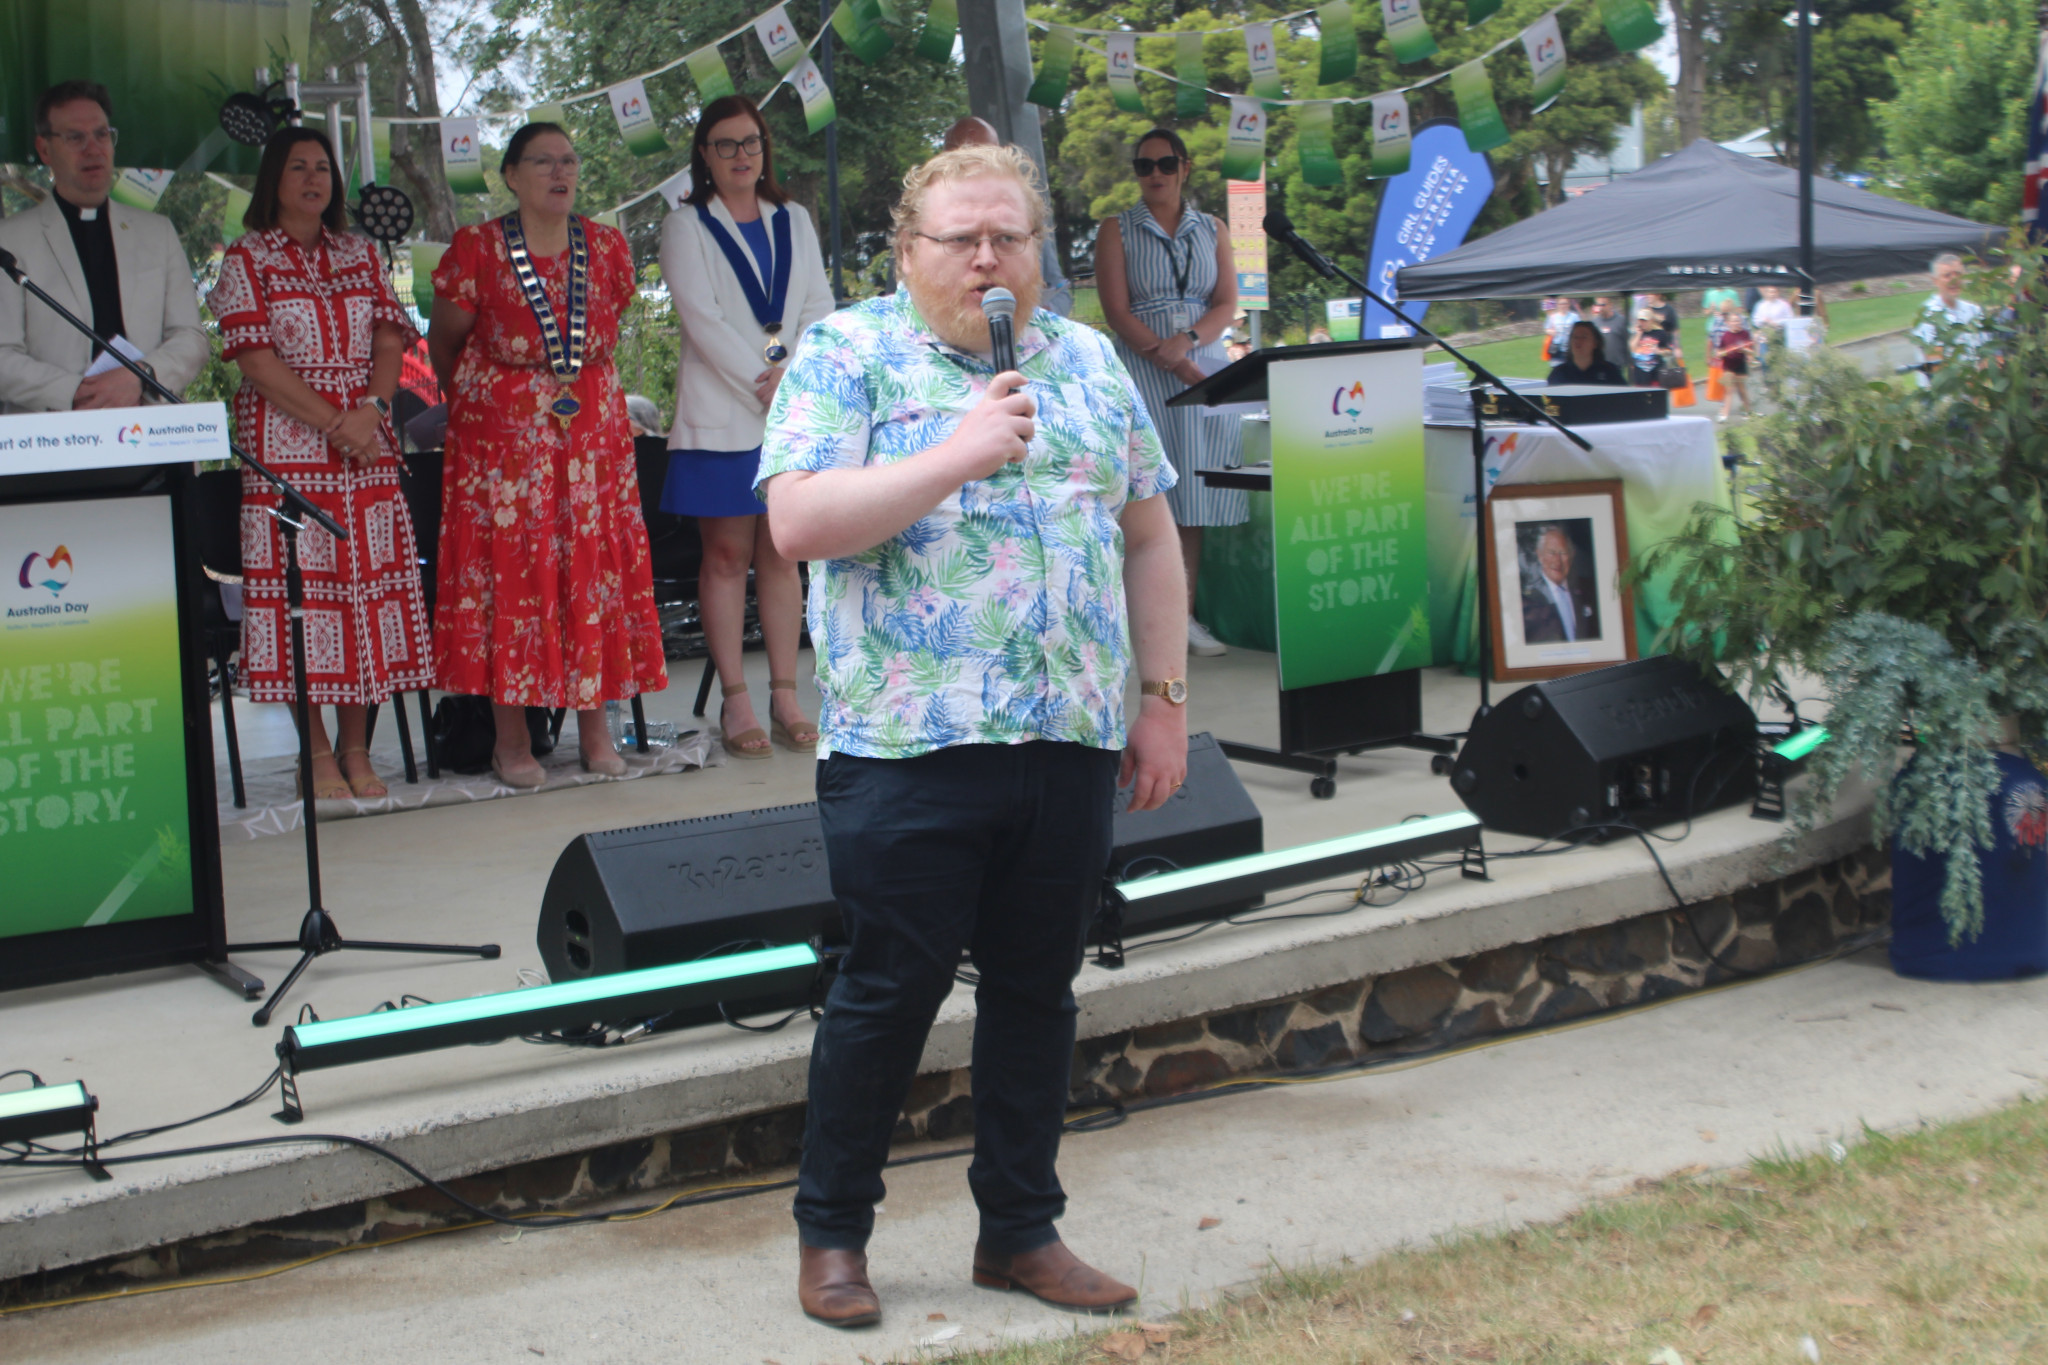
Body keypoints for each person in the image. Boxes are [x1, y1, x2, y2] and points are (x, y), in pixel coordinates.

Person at [757, 142, 1188, 1328]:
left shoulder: (1089, 361)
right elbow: (795, 523)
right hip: (907, 746)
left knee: (1036, 992)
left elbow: (1146, 536)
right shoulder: (848, 353)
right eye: (962, 239)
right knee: (886, 992)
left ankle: (1018, 1230)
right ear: (908, 253)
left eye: (1011, 237)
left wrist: (1162, 700)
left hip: (1065, 735)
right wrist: (955, 448)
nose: (989, 259)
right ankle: (833, 1236)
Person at [427, 122, 666, 787]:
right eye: (542, 162)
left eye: (568, 161)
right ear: (510, 175)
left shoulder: (608, 246)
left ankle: (595, 730)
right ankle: (512, 742)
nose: (559, 173)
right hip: (502, 441)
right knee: (513, 571)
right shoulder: (476, 248)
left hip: (590, 431)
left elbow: (608, 323)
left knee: (589, 567)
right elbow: (445, 341)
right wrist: (497, 400)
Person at [206, 126, 430, 800]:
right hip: (286, 453)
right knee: (305, 602)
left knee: (367, 595)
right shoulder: (247, 258)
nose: (314, 179)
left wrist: (372, 411)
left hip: (366, 447)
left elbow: (390, 338)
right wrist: (337, 422)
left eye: (324, 169)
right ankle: (317, 752)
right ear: (273, 178)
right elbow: (256, 363)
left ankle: (360, 747)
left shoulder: (360, 253)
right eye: (299, 168)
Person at [657, 94, 831, 761]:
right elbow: (701, 319)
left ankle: (785, 694)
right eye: (726, 144)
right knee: (727, 556)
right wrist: (766, 380)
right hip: (722, 411)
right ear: (704, 155)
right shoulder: (687, 226)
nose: (740, 155)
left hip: (788, 407)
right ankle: (734, 697)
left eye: (751, 142)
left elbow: (817, 304)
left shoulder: (795, 217)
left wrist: (792, 377)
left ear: (765, 149)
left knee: (784, 552)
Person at [1095, 126, 1244, 659]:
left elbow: (1226, 302)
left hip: (1200, 359)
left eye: (1164, 164)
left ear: (1185, 168)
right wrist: (1164, 353)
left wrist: (1188, 344)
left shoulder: (1213, 229)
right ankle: (1129, 618)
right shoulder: (1117, 229)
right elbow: (1116, 310)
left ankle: (1181, 616)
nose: (1154, 174)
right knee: (1145, 494)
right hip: (1143, 364)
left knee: (1192, 502)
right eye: (1143, 166)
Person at [0, 80, 208, 414]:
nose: (93, 148)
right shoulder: (9, 242)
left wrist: (142, 376)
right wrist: (75, 391)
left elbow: (191, 336)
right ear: (44, 149)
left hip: (152, 430)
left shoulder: (157, 233)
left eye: (101, 134)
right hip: (52, 437)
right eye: (75, 138)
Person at [940, 115, 1073, 318]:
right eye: (965, 159)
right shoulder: (924, 226)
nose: (979, 166)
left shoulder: (1023, 221)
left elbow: (1060, 291)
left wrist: (1046, 314)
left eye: (988, 156)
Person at [1521, 524, 1599, 644]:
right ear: (1540, 555)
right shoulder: (1528, 599)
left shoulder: (1588, 592)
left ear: (1572, 555)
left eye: (1563, 553)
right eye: (1551, 553)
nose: (1557, 560)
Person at [1911, 252, 1986, 369]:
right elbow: (1936, 365)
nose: (1954, 280)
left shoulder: (1975, 311)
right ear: (1935, 281)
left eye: (1958, 274)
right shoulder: (1928, 316)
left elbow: (1985, 355)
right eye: (1947, 275)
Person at [1710, 300, 1755, 420]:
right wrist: (1722, 353)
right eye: (1734, 321)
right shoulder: (1725, 335)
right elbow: (1719, 352)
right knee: (1728, 390)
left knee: (1742, 390)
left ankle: (1749, 412)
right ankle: (1724, 414)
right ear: (1729, 323)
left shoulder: (1744, 334)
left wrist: (1745, 351)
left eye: (1738, 321)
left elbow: (1751, 351)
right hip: (1728, 366)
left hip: (1740, 365)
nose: (1737, 323)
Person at [1546, 320, 1624, 386]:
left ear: (1595, 343)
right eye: (1575, 337)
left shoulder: (1610, 371)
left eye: (1584, 337)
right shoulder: (1559, 373)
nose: (1578, 341)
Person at [1627, 312, 1672, 389]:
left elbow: (1669, 351)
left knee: (1655, 396)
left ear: (1651, 321)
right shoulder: (1636, 333)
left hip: (1655, 373)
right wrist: (1639, 334)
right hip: (1640, 373)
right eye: (1640, 321)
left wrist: (1659, 352)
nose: (1642, 323)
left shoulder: (1660, 333)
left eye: (1644, 321)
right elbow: (1632, 348)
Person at [1587, 297, 1629, 372]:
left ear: (1610, 305)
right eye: (1598, 305)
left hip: (1616, 365)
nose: (1600, 308)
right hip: (1599, 365)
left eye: (1603, 305)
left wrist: (1628, 361)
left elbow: (1627, 341)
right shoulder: (1594, 323)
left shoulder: (1621, 321)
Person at [1541, 296, 1580, 363]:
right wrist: (1551, 332)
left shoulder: (1574, 316)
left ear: (1568, 304)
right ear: (1557, 305)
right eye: (1561, 304)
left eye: (1565, 303)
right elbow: (1547, 329)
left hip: (1570, 348)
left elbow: (1580, 329)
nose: (1563, 306)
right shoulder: (1553, 317)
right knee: (1557, 368)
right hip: (1556, 348)